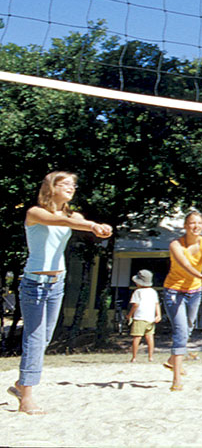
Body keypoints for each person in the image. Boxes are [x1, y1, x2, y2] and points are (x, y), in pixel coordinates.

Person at [9, 171, 113, 415]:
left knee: (44, 338)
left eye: (73, 184)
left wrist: (101, 228)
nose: (71, 187)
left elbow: (75, 221)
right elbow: (62, 223)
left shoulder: (72, 215)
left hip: (57, 283)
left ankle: (21, 384)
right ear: (51, 187)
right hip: (35, 283)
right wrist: (92, 226)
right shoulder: (36, 213)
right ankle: (27, 397)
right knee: (35, 338)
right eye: (65, 183)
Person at [162, 210, 202, 391]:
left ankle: (172, 361)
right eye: (192, 223)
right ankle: (176, 379)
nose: (196, 226)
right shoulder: (175, 244)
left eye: (199, 223)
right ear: (185, 226)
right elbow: (185, 265)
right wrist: (201, 276)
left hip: (195, 291)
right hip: (174, 291)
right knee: (180, 330)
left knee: (188, 327)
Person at [127, 269, 161, 362]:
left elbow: (135, 305)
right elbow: (156, 304)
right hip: (150, 318)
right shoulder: (153, 292)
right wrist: (158, 315)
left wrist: (130, 315)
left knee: (137, 337)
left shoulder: (137, 292)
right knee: (150, 337)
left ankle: (134, 357)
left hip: (139, 318)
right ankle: (150, 357)